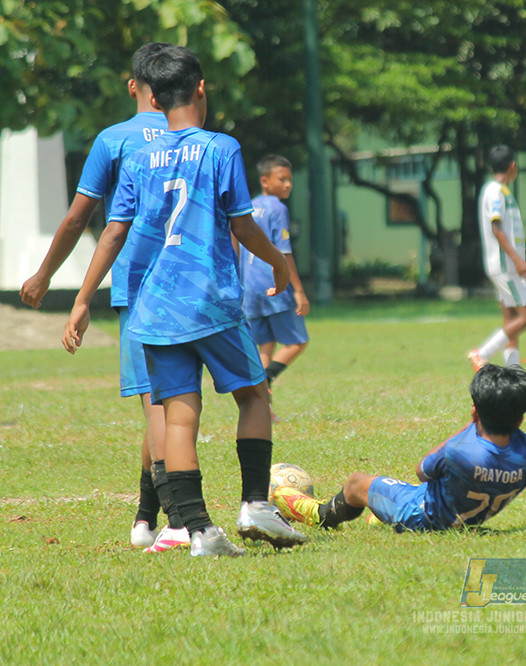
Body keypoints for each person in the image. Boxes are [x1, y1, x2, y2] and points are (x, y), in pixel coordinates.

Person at [62, 45, 307, 557]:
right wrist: (280, 264)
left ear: (151, 94)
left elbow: (112, 232)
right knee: (255, 395)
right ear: (200, 89)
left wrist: (84, 299)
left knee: (178, 416)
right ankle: (256, 506)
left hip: (152, 308)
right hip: (210, 301)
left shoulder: (140, 155)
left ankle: (198, 533)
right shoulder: (222, 148)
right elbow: (241, 223)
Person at [20, 42, 189, 552]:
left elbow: (80, 218)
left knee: (157, 407)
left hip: (140, 284)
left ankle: (179, 521)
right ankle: (145, 515)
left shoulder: (115, 139)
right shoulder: (198, 138)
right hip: (192, 281)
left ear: (134, 85)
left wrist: (47, 276)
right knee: (173, 402)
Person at [271, 362, 526, 532]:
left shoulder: (460, 451)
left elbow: (423, 470)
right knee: (404, 491)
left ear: (474, 411)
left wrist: (471, 424)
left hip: (420, 516)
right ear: (522, 416)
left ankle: (319, 514)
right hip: (467, 519)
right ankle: (378, 513)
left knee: (358, 482)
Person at [240, 154, 310, 421]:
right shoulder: (277, 208)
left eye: (290, 179)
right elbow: (284, 252)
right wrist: (299, 290)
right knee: (298, 341)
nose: (288, 184)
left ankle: (263, 410)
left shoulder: (249, 206)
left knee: (265, 346)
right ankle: (264, 380)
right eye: (283, 179)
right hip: (272, 283)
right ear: (265, 181)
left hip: (249, 286)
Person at [468, 145, 526, 369]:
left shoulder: (497, 190)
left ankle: (513, 370)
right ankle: (482, 352)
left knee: (511, 320)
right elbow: (497, 228)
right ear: (512, 166)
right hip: (506, 265)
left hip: (502, 265)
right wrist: (518, 261)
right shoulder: (496, 191)